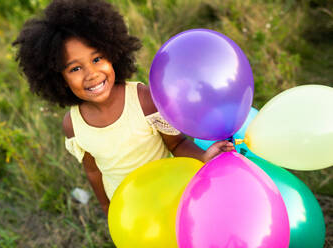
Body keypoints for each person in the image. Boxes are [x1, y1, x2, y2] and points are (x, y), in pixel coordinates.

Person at [13, 0, 235, 215]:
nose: (91, 74)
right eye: (75, 68)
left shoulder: (142, 99)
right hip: (128, 208)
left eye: (97, 58)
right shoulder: (73, 125)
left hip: (169, 194)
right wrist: (106, 206)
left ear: (113, 53)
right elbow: (92, 170)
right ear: (58, 78)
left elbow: (176, 144)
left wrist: (204, 158)